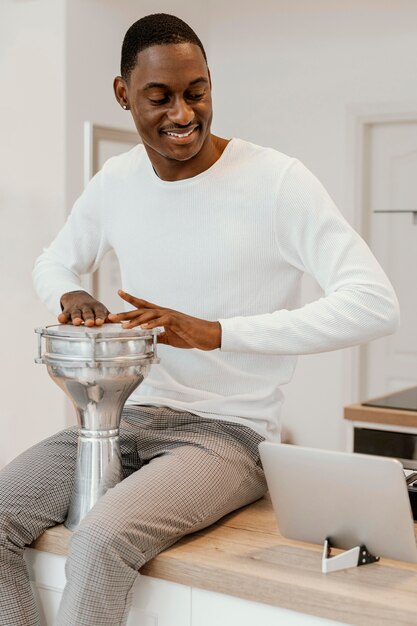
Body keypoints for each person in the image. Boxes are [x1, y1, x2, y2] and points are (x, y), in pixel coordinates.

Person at [0, 12, 399, 626]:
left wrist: (219, 332)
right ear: (123, 94)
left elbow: (374, 304)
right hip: (125, 418)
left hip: (226, 435)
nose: (183, 114)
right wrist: (71, 291)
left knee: (102, 537)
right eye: (159, 97)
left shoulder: (277, 183)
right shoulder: (117, 181)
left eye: (197, 92)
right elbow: (53, 259)